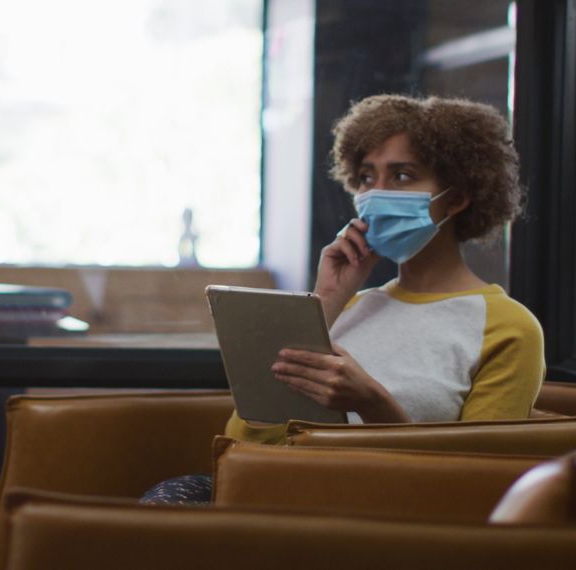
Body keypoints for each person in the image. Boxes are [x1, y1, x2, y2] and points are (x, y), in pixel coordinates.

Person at [140, 93, 544, 504]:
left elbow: (472, 492)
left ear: (456, 199)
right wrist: (325, 301)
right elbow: (242, 448)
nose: (376, 194)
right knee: (170, 501)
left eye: (402, 176)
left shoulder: (508, 328)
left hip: (375, 520)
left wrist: (373, 403)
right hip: (279, 497)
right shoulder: (349, 306)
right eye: (367, 178)